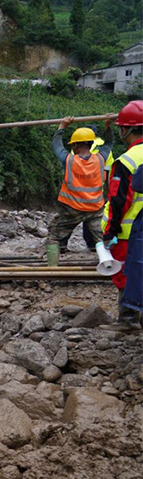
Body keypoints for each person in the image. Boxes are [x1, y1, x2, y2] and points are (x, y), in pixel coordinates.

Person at [44, 117, 113, 267]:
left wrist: (62, 125)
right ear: (91, 143)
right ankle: (109, 266)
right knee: (102, 239)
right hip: (95, 209)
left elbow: (56, 145)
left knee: (54, 236)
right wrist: (107, 126)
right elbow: (109, 144)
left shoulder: (69, 160)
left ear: (75, 146)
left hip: (72, 209)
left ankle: (51, 271)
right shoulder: (101, 159)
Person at [101, 101, 143, 331]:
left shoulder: (127, 160)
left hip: (130, 232)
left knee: (127, 275)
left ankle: (127, 321)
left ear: (125, 129)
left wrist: (111, 231)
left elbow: (119, 201)